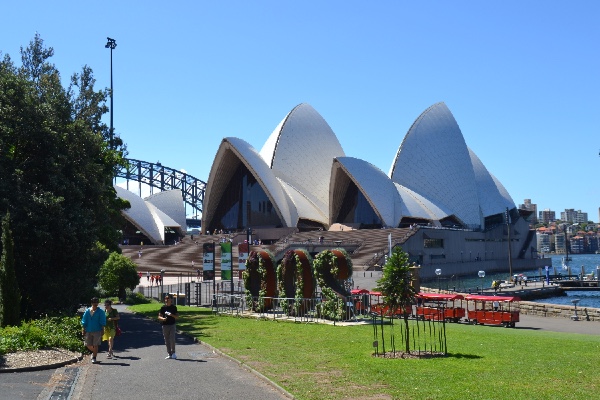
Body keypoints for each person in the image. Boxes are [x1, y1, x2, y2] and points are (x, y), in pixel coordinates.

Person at [81, 297, 106, 364]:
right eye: (94, 302)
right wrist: (83, 328)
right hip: (88, 330)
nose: (95, 303)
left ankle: (94, 357)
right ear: (91, 303)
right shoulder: (87, 311)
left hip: (97, 330)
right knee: (87, 344)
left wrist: (103, 329)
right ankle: (94, 352)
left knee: (96, 344)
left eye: (96, 302)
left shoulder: (100, 312)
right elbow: (84, 320)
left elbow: (102, 321)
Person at [158, 295, 179, 359]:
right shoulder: (163, 308)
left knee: (172, 339)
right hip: (165, 325)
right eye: (165, 298)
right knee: (166, 340)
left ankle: (173, 353)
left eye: (168, 298)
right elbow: (159, 317)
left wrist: (171, 314)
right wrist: (163, 319)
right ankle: (169, 354)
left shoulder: (174, 307)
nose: (166, 300)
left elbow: (177, 317)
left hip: (172, 325)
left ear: (171, 300)